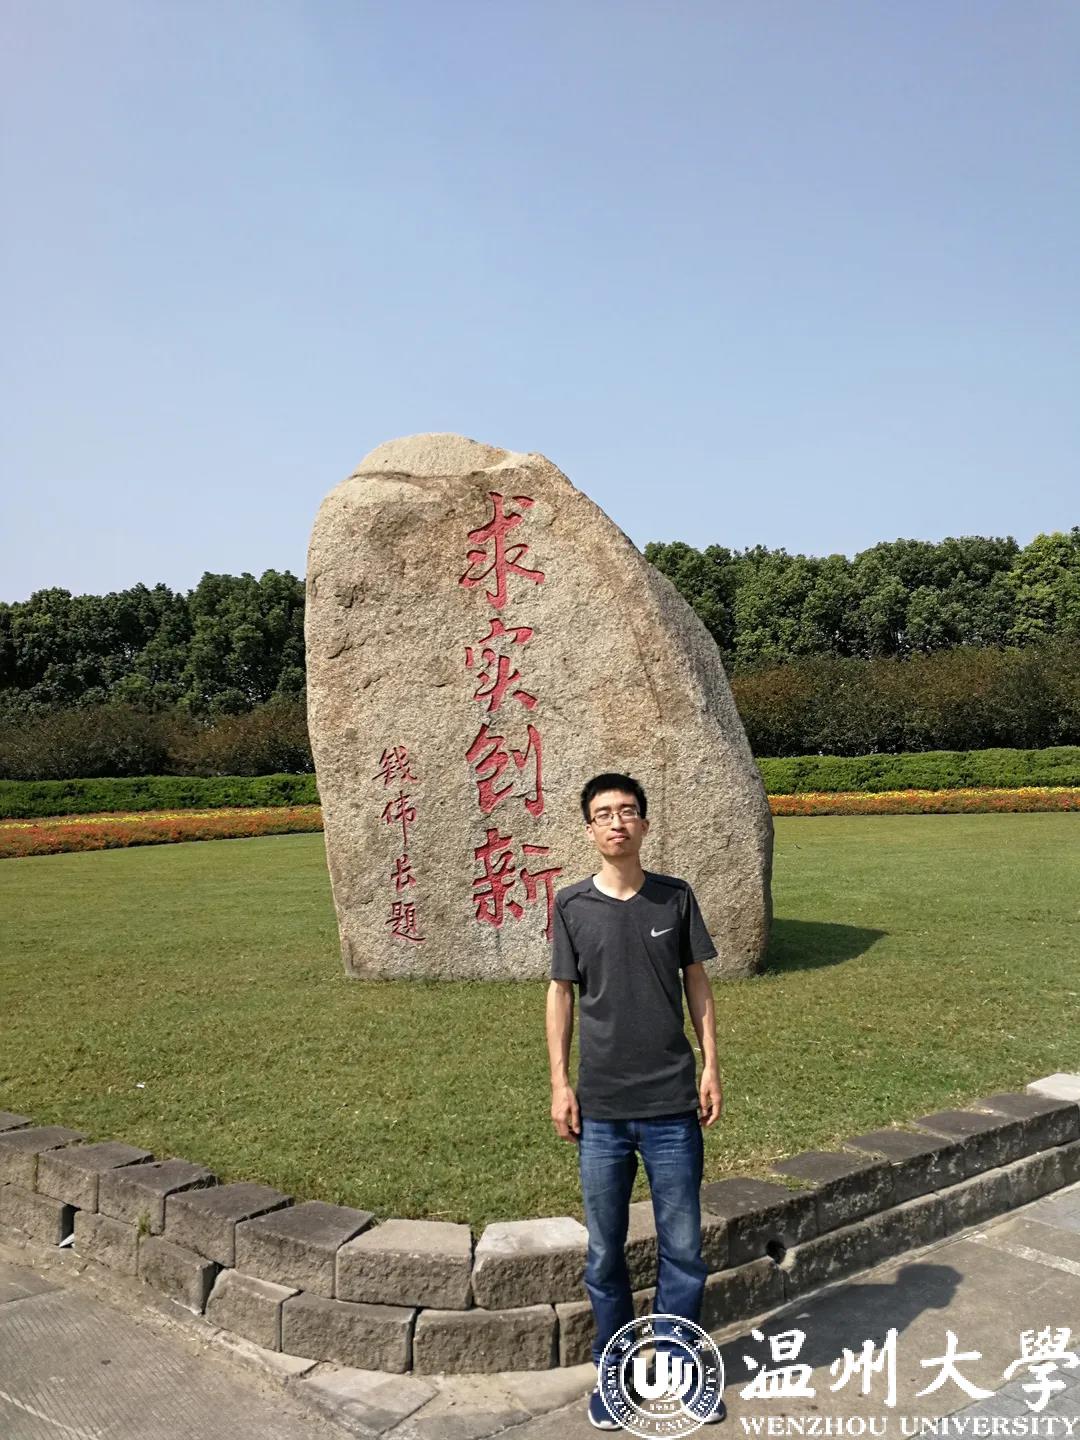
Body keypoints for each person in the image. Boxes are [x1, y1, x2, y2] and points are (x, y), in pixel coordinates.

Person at [546, 771, 726, 1430]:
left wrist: (711, 1065)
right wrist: (560, 1083)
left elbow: (697, 983)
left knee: (684, 1251)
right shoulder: (570, 905)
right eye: (603, 813)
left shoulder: (674, 898)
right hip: (602, 1111)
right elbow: (561, 993)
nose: (616, 822)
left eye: (627, 811)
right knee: (605, 1254)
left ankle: (680, 1372)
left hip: (673, 1105)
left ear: (644, 824)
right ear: (589, 829)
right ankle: (616, 1378)